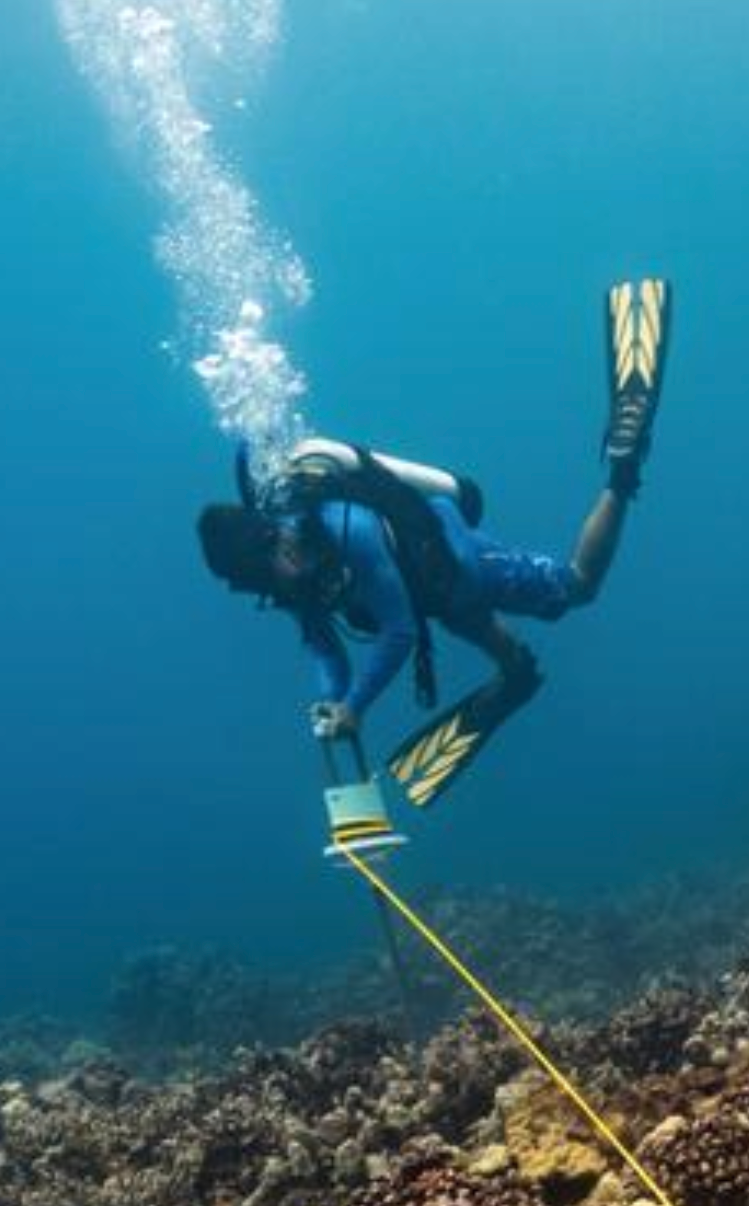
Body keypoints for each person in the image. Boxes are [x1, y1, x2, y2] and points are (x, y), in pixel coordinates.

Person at [194, 279, 673, 809]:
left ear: (272, 545)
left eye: (262, 578)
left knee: (576, 588)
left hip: (455, 563)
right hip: (436, 597)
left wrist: (356, 707)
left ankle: (623, 470)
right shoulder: (285, 570)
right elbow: (322, 644)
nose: (272, 589)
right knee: (471, 623)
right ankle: (517, 671)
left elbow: (397, 631)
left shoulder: (343, 527)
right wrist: (332, 702)